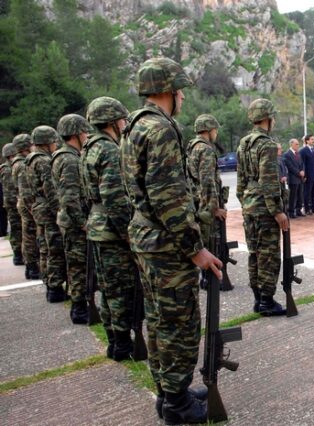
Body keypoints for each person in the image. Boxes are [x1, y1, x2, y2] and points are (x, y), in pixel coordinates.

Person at [121, 58, 221, 424]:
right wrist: (195, 248)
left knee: (159, 318)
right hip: (166, 242)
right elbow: (169, 196)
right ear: (167, 91)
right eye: (179, 90)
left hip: (146, 237)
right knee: (179, 320)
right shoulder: (161, 129)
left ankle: (168, 391)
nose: (181, 96)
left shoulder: (133, 126)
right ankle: (177, 404)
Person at [82, 97, 138, 358]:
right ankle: (123, 342)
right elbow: (115, 198)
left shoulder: (89, 148)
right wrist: (128, 233)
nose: (126, 124)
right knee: (122, 289)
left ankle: (115, 341)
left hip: (97, 226)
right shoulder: (110, 150)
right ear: (114, 122)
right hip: (112, 231)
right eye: (123, 120)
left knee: (108, 288)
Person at [236, 98, 289, 316]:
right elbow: (269, 181)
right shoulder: (266, 144)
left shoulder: (244, 143)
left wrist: (246, 201)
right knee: (268, 254)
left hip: (249, 205)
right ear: (267, 118)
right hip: (264, 208)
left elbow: (240, 182)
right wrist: (277, 211)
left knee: (254, 253)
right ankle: (267, 300)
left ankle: (258, 299)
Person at [53, 114, 92, 323]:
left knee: (78, 265)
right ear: (76, 134)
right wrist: (82, 223)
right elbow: (69, 197)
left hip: (71, 221)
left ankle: (80, 305)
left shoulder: (68, 156)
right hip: (74, 224)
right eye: (85, 132)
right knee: (78, 266)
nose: (87, 136)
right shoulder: (68, 159)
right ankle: (79, 309)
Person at [25, 126, 67, 302]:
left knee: (45, 247)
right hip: (48, 210)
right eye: (53, 141)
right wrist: (59, 210)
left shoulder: (30, 159)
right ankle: (54, 287)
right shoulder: (43, 161)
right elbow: (50, 190)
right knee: (55, 248)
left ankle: (50, 283)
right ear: (48, 142)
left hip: (38, 208)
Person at [187, 114, 227, 273]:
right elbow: (207, 181)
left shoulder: (192, 146)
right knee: (211, 243)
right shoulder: (205, 149)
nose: (216, 133)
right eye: (215, 130)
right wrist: (214, 208)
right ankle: (208, 280)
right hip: (205, 207)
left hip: (196, 202)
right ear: (208, 130)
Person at [11, 134, 39, 279]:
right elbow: (25, 190)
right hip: (27, 203)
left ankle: (31, 266)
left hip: (24, 202)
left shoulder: (18, 163)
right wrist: (33, 210)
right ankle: (32, 266)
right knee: (30, 236)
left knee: (28, 235)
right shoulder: (22, 165)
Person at [1, 143, 23, 265]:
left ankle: (19, 254)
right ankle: (18, 254)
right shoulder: (8, 169)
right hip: (13, 205)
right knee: (17, 229)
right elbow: (10, 191)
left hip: (12, 204)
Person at [283, 138, 305, 217]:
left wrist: (302, 171)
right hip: (293, 178)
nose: (298, 145)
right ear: (291, 144)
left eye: (298, 144)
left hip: (300, 178)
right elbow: (290, 166)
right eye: (296, 144)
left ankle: (298, 210)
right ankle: (291, 212)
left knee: (300, 195)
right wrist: (298, 172)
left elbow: (302, 163)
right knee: (293, 196)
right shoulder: (287, 154)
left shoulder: (298, 153)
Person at [299, 134, 314, 214]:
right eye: (311, 139)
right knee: (307, 192)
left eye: (313, 139)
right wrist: (305, 175)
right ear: (307, 141)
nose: (313, 141)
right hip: (308, 175)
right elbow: (302, 163)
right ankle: (307, 209)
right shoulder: (303, 151)